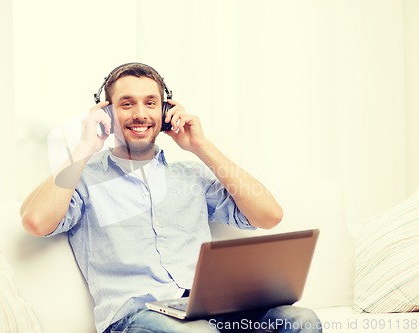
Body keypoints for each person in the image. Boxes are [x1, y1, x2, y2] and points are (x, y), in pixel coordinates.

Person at [20, 63, 322, 333]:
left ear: (165, 112)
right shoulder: (83, 179)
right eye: (127, 104)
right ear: (107, 113)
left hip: (213, 312)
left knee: (301, 321)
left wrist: (200, 145)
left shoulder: (190, 176)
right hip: (137, 318)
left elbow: (269, 215)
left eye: (150, 103)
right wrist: (86, 145)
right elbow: (35, 221)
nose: (140, 114)